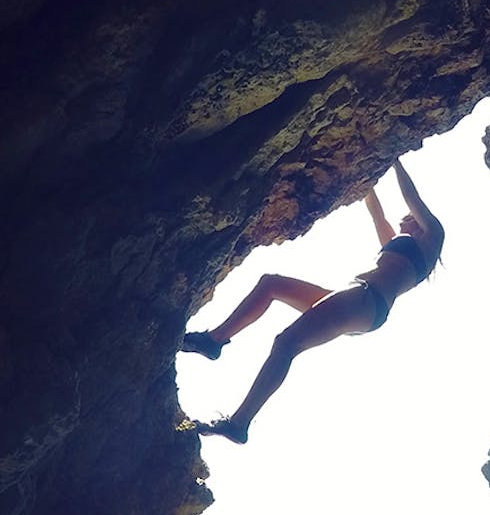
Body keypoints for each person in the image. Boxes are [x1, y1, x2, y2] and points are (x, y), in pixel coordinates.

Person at [180, 160, 444, 443]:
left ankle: (239, 423)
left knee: (286, 344)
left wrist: (396, 161)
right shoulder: (397, 244)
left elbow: (411, 197)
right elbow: (377, 214)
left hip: (367, 300)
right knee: (271, 284)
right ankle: (214, 340)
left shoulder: (432, 238)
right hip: (359, 300)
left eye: (408, 217)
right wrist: (369, 171)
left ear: (418, 222)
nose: (404, 218)